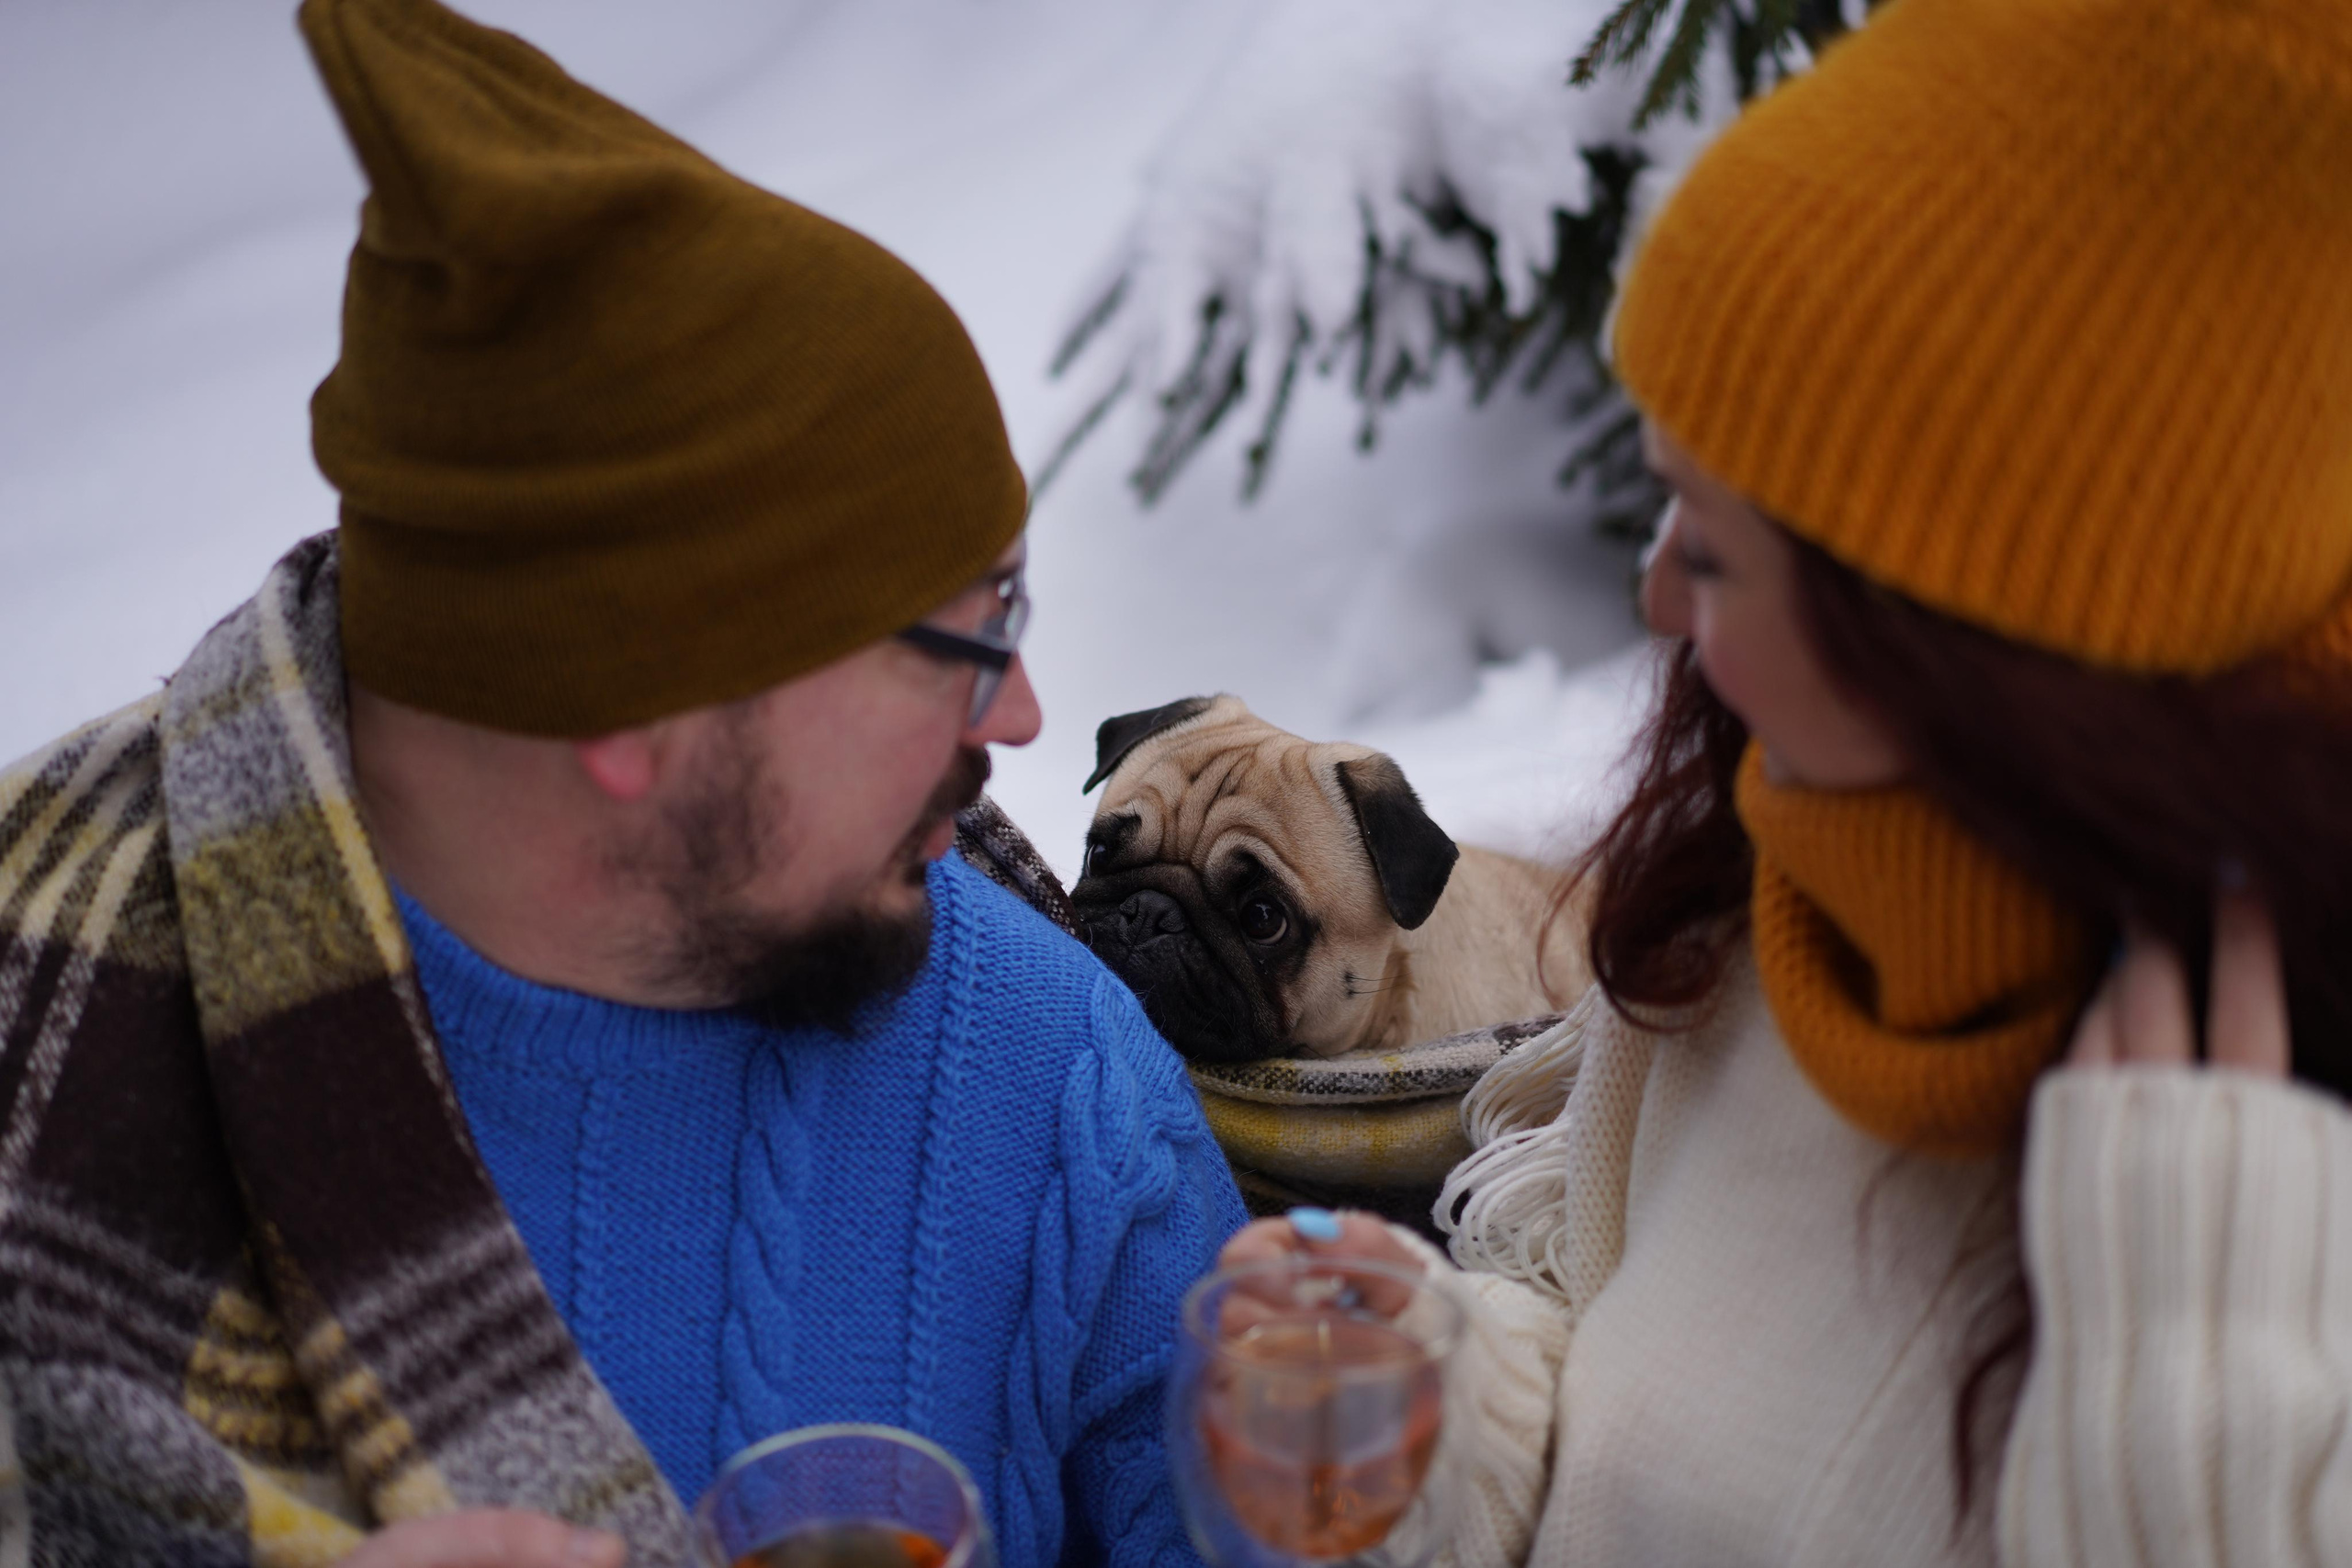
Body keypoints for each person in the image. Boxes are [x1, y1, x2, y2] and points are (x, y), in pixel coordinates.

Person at [0, 1, 1245, 1564]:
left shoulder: (1054, 1085)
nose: (1025, 714)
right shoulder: (56, 1024)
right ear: (641, 686)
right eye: (973, 629)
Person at [1220, 0, 2352, 1562]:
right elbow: (1639, 1404)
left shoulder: (2296, 1189)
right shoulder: (1767, 885)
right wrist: (1445, 1401)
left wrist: (2189, 1463)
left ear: (1972, 636)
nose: (1657, 603)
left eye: (1720, 547)